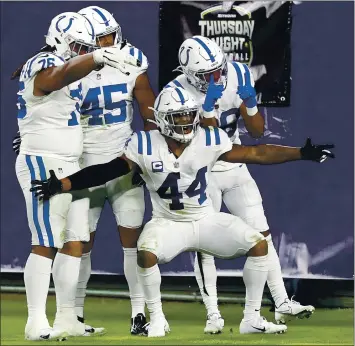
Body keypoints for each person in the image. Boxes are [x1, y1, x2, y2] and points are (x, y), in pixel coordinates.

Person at [30, 86, 334, 337]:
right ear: (163, 119)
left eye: (190, 114)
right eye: (179, 116)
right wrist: (66, 183)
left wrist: (300, 153)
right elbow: (108, 170)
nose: (186, 121)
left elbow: (256, 152)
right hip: (168, 222)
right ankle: (157, 317)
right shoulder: (145, 143)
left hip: (205, 219)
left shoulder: (210, 138)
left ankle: (251, 318)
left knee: (259, 244)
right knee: (145, 252)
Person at [164, 35, 315, 332]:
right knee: (205, 245)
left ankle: (281, 301)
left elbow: (257, 132)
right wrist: (206, 109)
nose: (218, 76)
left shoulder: (239, 73)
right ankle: (213, 315)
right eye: (208, 74)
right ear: (190, 74)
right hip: (201, 172)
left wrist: (249, 102)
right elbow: (208, 142)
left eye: (219, 68)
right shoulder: (175, 93)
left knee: (262, 235)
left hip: (235, 164)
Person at [13, 11, 139, 340]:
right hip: (45, 161)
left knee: (74, 241)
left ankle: (67, 317)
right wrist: (97, 57)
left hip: (71, 163)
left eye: (88, 47)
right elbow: (54, 77)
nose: (84, 52)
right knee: (45, 241)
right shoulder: (43, 63)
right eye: (80, 46)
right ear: (61, 40)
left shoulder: (68, 69)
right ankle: (35, 321)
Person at [71, 6, 156, 335]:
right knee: (80, 244)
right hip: (84, 166)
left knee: (132, 243)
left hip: (123, 165)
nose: (111, 43)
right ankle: (74, 314)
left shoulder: (131, 59)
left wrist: (145, 154)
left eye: (112, 36)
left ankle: (138, 313)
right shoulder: (69, 67)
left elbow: (148, 109)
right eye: (102, 39)